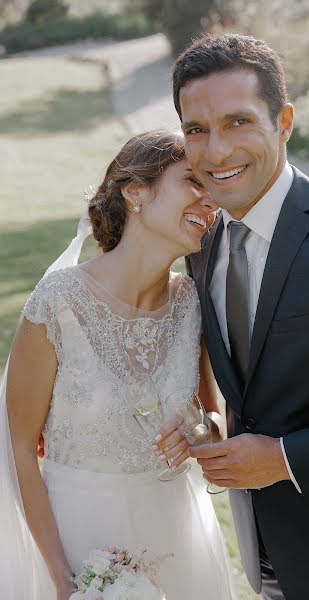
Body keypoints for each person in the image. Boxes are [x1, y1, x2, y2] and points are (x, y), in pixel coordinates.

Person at [158, 33, 309, 600]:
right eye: (196, 129)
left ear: (284, 121)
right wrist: (217, 426)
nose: (215, 151)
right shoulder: (203, 244)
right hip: (269, 564)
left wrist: (284, 459)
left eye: (238, 122)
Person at [2, 130, 235, 600]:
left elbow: (213, 423)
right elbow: (20, 449)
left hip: (179, 537)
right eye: (192, 180)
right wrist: (65, 582)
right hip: (79, 543)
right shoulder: (59, 302)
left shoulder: (192, 302)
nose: (210, 199)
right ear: (136, 193)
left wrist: (198, 432)